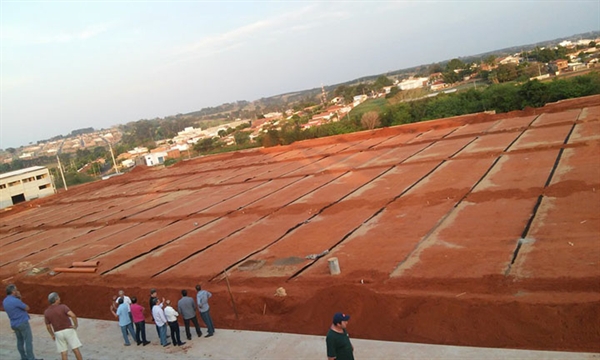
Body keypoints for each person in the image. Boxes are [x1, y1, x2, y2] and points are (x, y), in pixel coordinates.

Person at [3, 284, 41, 360]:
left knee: (20, 341)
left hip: (14, 323)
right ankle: (31, 358)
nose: (17, 291)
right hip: (22, 322)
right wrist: (19, 297)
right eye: (16, 290)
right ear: (13, 292)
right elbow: (27, 308)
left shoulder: (5, 301)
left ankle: (23, 357)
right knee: (28, 341)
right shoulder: (15, 301)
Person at [44, 292, 83, 360]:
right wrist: (75, 325)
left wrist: (52, 335)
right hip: (68, 330)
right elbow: (73, 315)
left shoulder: (47, 312)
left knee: (63, 352)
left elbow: (48, 326)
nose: (59, 299)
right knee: (75, 349)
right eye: (58, 298)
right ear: (56, 299)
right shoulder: (63, 307)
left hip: (58, 333)